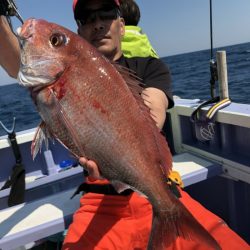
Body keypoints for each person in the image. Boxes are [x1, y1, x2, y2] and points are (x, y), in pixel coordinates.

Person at [0, 0, 249, 249]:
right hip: (100, 199)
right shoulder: (50, 76)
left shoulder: (151, 68)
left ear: (122, 25)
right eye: (87, 17)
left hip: (162, 188)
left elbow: (154, 112)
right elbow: (15, 63)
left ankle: (169, 216)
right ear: (79, 32)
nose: (97, 24)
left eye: (106, 14)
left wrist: (120, 151)